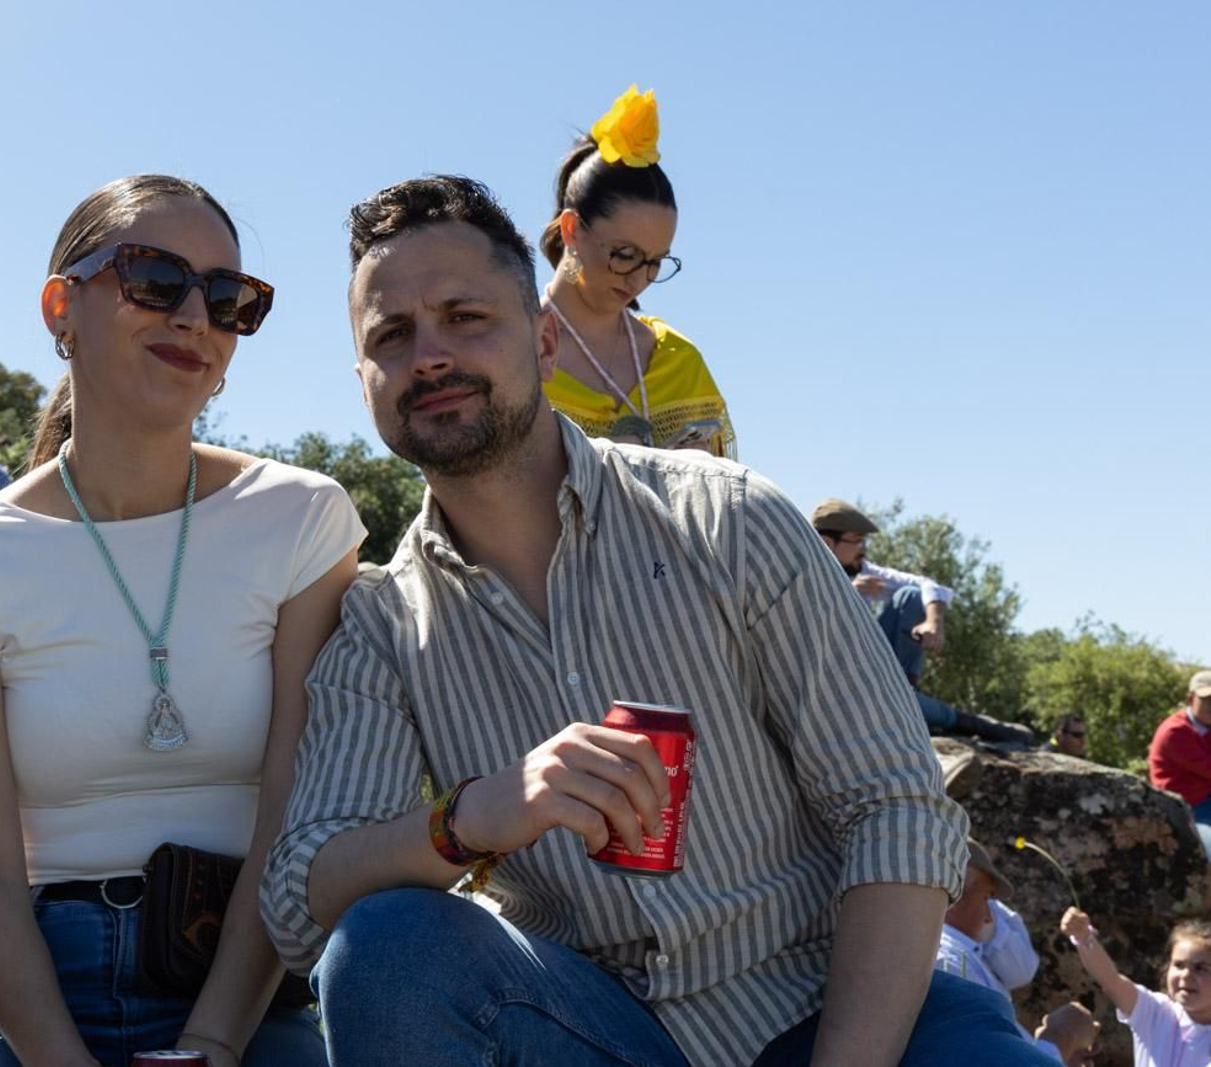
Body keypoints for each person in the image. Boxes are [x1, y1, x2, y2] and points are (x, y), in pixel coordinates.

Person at [261, 175, 1045, 1066]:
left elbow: (894, 808)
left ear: (546, 336)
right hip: (593, 1029)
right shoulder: (380, 625)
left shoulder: (728, 518)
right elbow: (301, 903)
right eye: (392, 336)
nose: (430, 355)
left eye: (466, 316)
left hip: (828, 1005)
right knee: (391, 945)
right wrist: (472, 816)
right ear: (362, 380)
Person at [0, 174, 363, 1067]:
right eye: (156, 278)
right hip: (18, 997)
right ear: (59, 307)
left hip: (243, 988)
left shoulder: (302, 520)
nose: (196, 316)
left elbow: (287, 819)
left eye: (229, 299)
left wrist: (213, 1043)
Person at [538, 85, 736, 456]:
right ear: (571, 229)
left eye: (656, 261)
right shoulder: (512, 352)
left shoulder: (676, 359)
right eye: (625, 254)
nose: (640, 279)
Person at [810, 498, 1037, 746]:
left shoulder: (863, 570)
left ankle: (905, 691)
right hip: (839, 686)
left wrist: (933, 623)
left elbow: (928, 586)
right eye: (857, 541)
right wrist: (848, 591)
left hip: (878, 677)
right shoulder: (803, 577)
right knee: (915, 708)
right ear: (826, 543)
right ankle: (968, 722)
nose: (863, 548)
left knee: (912, 596)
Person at [1061, 906, 1211, 1066]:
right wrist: (1083, 937)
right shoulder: (1155, 1011)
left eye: (1201, 968)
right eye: (1179, 965)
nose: (1186, 975)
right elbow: (1111, 980)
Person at [935, 840, 1040, 1001]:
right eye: (985, 898)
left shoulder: (962, 954)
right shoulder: (950, 961)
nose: (989, 917)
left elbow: (1023, 971)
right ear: (955, 894)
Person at [1147, 671, 1211, 856]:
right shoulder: (1174, 731)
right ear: (1190, 699)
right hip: (1184, 807)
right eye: (1207, 699)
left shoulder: (1205, 726)